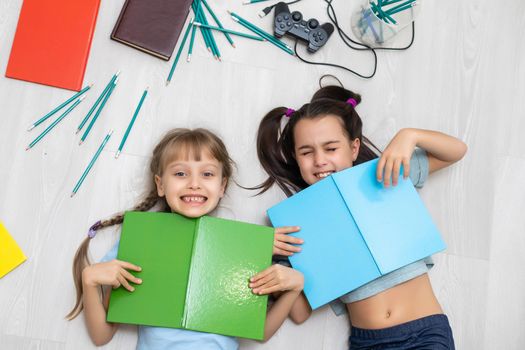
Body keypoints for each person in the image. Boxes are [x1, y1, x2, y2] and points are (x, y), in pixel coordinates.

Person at [251, 84, 467, 349]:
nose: (319, 160)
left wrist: (410, 136)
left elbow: (456, 151)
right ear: (296, 158)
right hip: (367, 342)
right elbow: (300, 314)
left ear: (354, 148)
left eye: (331, 148)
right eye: (307, 152)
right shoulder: (294, 223)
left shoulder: (384, 174)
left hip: (424, 334)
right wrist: (269, 259)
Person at [66, 128, 304, 349]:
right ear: (161, 184)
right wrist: (89, 280)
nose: (194, 184)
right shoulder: (140, 240)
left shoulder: (244, 247)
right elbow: (101, 336)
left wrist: (294, 288)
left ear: (222, 186)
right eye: (180, 173)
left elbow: (259, 333)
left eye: (207, 174)